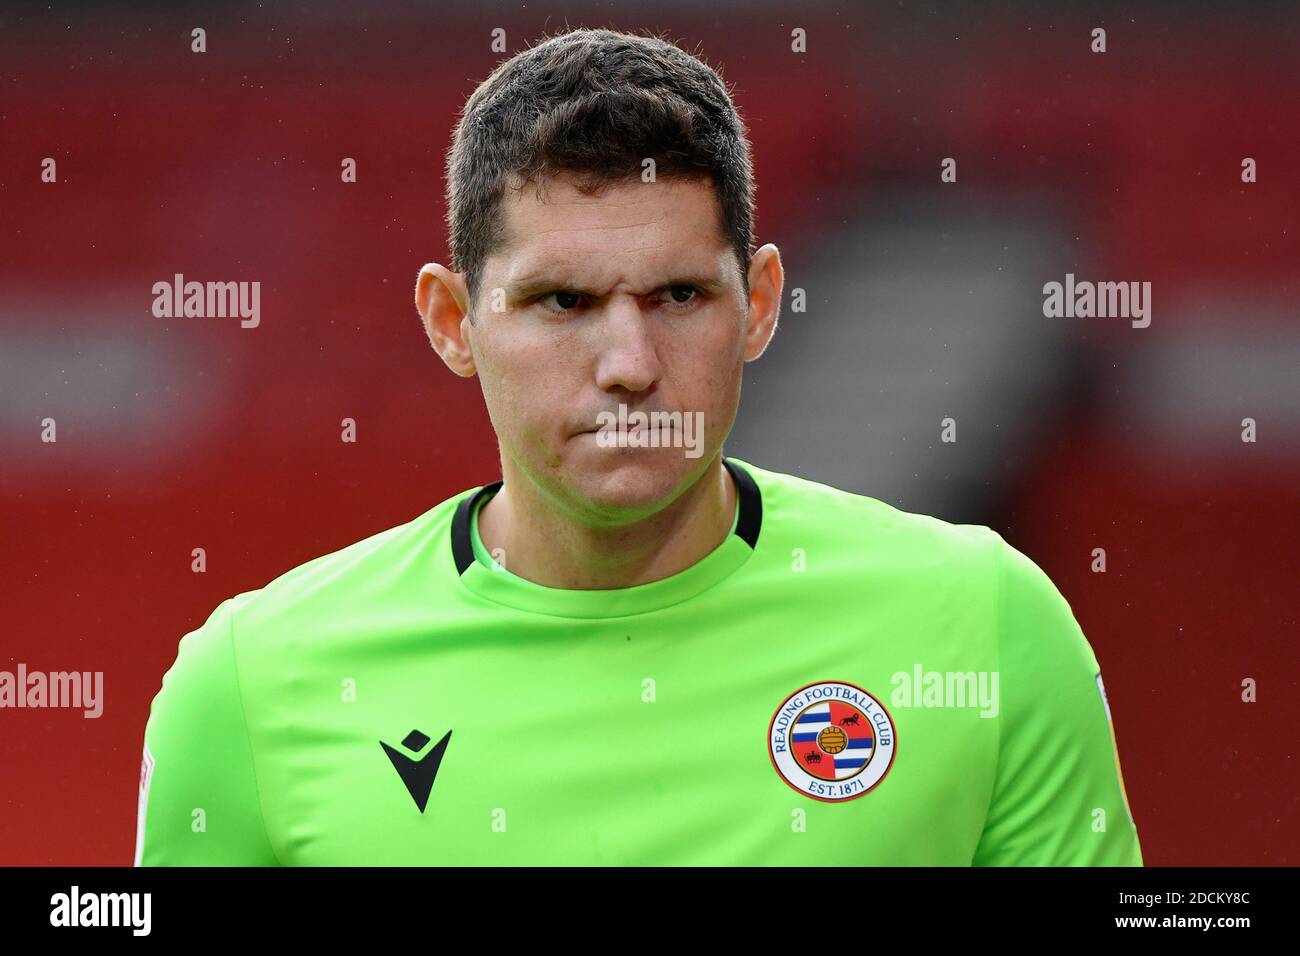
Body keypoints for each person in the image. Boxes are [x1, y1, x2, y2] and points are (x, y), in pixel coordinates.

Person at [135, 27, 1141, 865]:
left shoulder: (984, 625)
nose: (628, 364)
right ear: (451, 321)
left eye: (679, 296)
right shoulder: (254, 685)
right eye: (561, 301)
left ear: (759, 305)